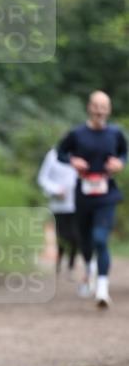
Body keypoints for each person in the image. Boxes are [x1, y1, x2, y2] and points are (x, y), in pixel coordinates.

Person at [57, 91, 127, 307]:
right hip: (84, 193)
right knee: (85, 241)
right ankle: (89, 268)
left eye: (103, 107)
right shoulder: (77, 134)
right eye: (96, 106)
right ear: (89, 107)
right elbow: (60, 152)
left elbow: (125, 153)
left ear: (109, 109)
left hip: (107, 193)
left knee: (100, 239)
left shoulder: (116, 133)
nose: (99, 111)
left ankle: (103, 290)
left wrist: (120, 163)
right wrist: (72, 160)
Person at [37, 146, 79, 277]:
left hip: (79, 203)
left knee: (75, 236)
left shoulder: (82, 152)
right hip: (59, 204)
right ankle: (58, 264)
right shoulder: (53, 155)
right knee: (62, 235)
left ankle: (71, 265)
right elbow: (43, 178)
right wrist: (56, 189)